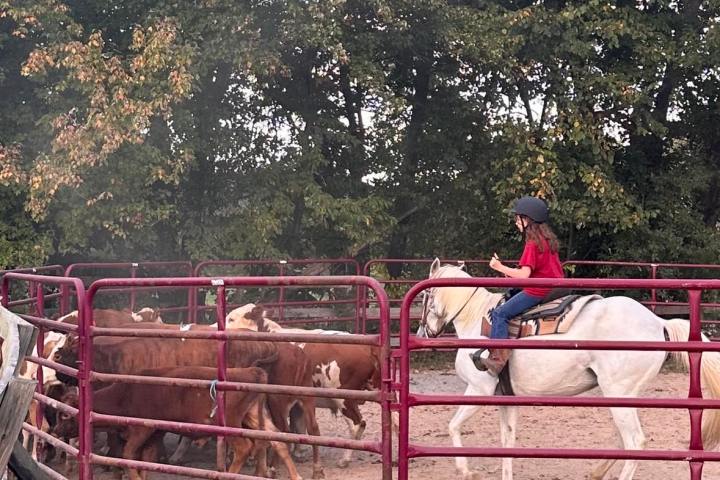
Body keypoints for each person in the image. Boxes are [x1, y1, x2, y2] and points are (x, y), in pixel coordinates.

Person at [472, 195, 564, 376]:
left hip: (538, 289)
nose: (516, 222)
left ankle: (497, 360)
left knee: (500, 313)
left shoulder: (532, 244)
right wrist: (506, 270)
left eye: (518, 218)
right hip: (553, 286)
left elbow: (524, 275)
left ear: (527, 220)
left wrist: (499, 267)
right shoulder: (547, 240)